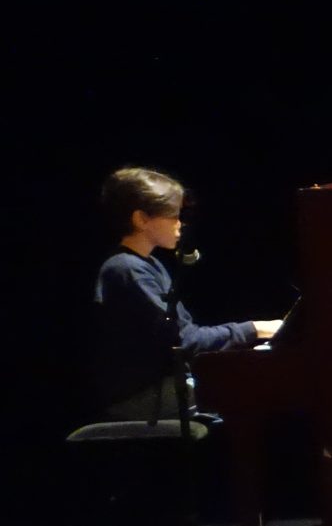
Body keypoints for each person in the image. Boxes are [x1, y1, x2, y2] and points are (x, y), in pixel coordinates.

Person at [91, 167, 282, 420]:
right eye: (173, 215)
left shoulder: (149, 264)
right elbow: (183, 341)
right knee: (260, 390)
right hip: (142, 395)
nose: (179, 224)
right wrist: (254, 329)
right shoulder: (126, 270)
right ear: (141, 219)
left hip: (166, 385)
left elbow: (184, 337)